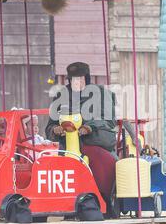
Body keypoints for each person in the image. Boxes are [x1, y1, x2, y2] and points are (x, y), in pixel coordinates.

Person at [45, 62, 117, 204]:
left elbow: (109, 122)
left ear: (87, 79)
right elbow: (49, 127)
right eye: (74, 79)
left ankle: (103, 200)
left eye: (81, 79)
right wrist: (55, 129)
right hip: (68, 149)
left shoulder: (102, 94)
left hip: (97, 143)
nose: (78, 82)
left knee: (103, 168)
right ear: (69, 80)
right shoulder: (61, 96)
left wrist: (89, 127)